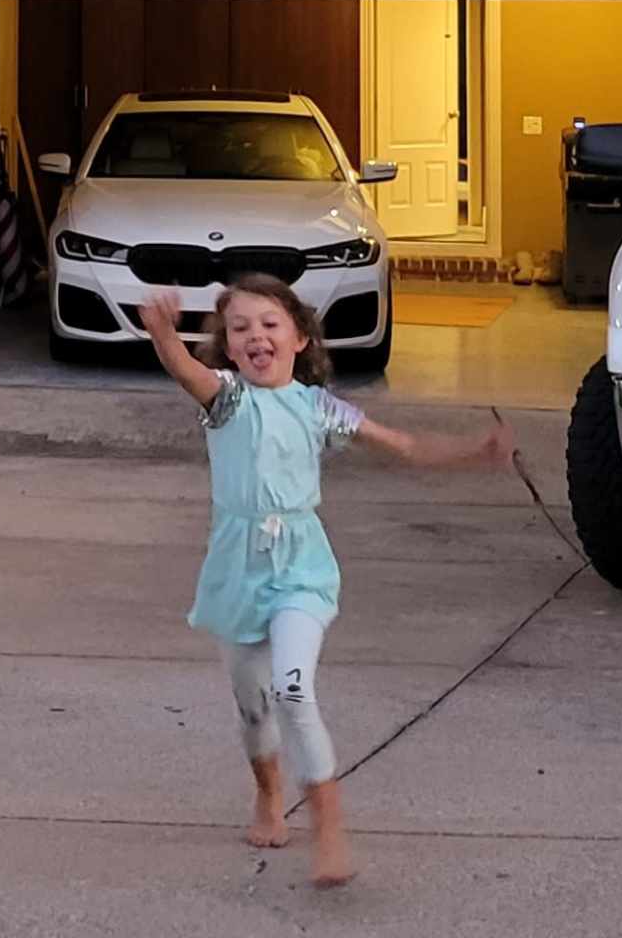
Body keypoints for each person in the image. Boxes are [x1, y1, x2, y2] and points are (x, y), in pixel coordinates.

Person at [134, 276, 511, 888]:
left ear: (299, 336)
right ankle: (268, 793)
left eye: (270, 323)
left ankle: (329, 827)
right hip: (237, 568)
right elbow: (185, 371)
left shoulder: (318, 407)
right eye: (240, 328)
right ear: (228, 349)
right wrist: (163, 336)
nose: (256, 335)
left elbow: (405, 446)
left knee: (292, 689)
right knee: (254, 709)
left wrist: (474, 451)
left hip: (302, 569)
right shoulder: (227, 399)